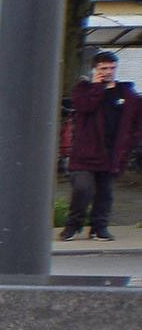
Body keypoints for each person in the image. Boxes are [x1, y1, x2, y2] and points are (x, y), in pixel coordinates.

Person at [62, 52, 138, 241]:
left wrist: (131, 141)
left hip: (112, 152)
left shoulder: (126, 94)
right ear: (95, 69)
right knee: (83, 189)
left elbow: (136, 119)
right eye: (103, 68)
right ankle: (73, 226)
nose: (108, 72)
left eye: (112, 68)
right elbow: (84, 107)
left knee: (105, 193)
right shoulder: (84, 89)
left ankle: (99, 228)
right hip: (85, 152)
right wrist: (97, 87)